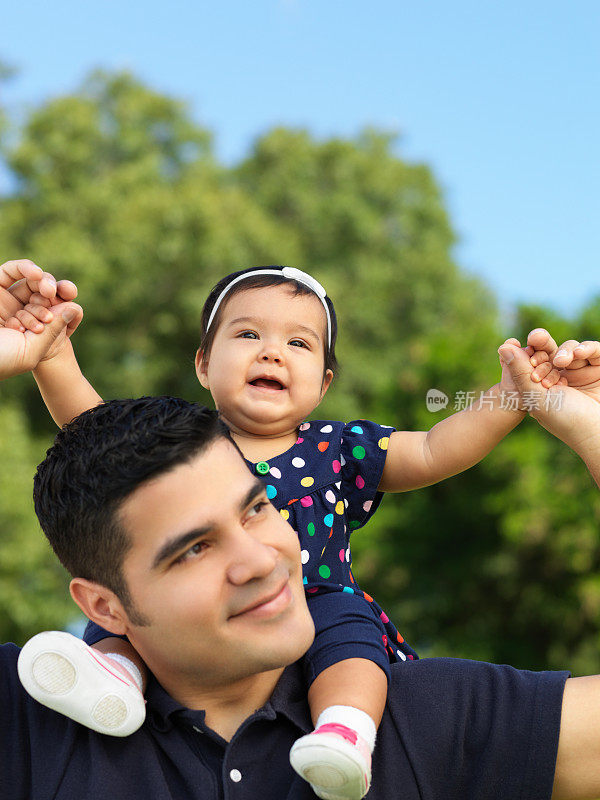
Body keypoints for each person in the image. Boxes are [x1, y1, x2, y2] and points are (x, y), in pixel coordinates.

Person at [2, 259, 577, 800]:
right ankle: (114, 683)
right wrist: (51, 356)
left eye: (298, 343)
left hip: (318, 600)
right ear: (203, 363)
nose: (273, 352)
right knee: (128, 612)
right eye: (248, 335)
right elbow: (94, 437)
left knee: (352, 632)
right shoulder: (183, 447)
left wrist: (512, 398)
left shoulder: (341, 448)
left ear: (323, 384)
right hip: (169, 635)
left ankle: (346, 732)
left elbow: (431, 449)